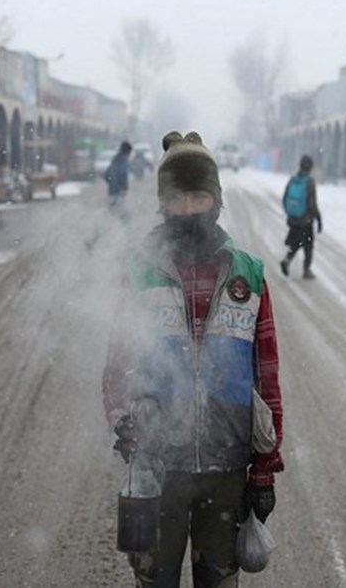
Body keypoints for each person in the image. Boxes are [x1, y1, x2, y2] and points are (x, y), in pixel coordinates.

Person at [103, 130, 285, 587]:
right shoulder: (139, 271)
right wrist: (125, 422)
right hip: (155, 473)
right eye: (179, 198)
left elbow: (267, 379)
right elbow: (117, 366)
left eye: (199, 196)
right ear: (163, 203)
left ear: (217, 201)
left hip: (226, 476)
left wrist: (263, 470)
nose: (189, 209)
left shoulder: (248, 276)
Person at [280, 154, 322, 280]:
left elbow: (284, 198)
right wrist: (318, 218)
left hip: (293, 219)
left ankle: (287, 260)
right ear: (310, 167)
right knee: (308, 246)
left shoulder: (293, 179)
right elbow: (312, 204)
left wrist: (291, 214)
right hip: (306, 221)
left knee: (296, 242)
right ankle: (306, 270)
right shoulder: (310, 182)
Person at [104, 140, 133, 212]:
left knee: (114, 212)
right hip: (118, 192)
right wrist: (121, 187)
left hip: (113, 191)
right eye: (130, 152)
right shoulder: (122, 160)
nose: (130, 154)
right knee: (121, 214)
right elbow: (122, 175)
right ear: (127, 151)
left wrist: (111, 183)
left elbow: (106, 174)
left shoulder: (116, 159)